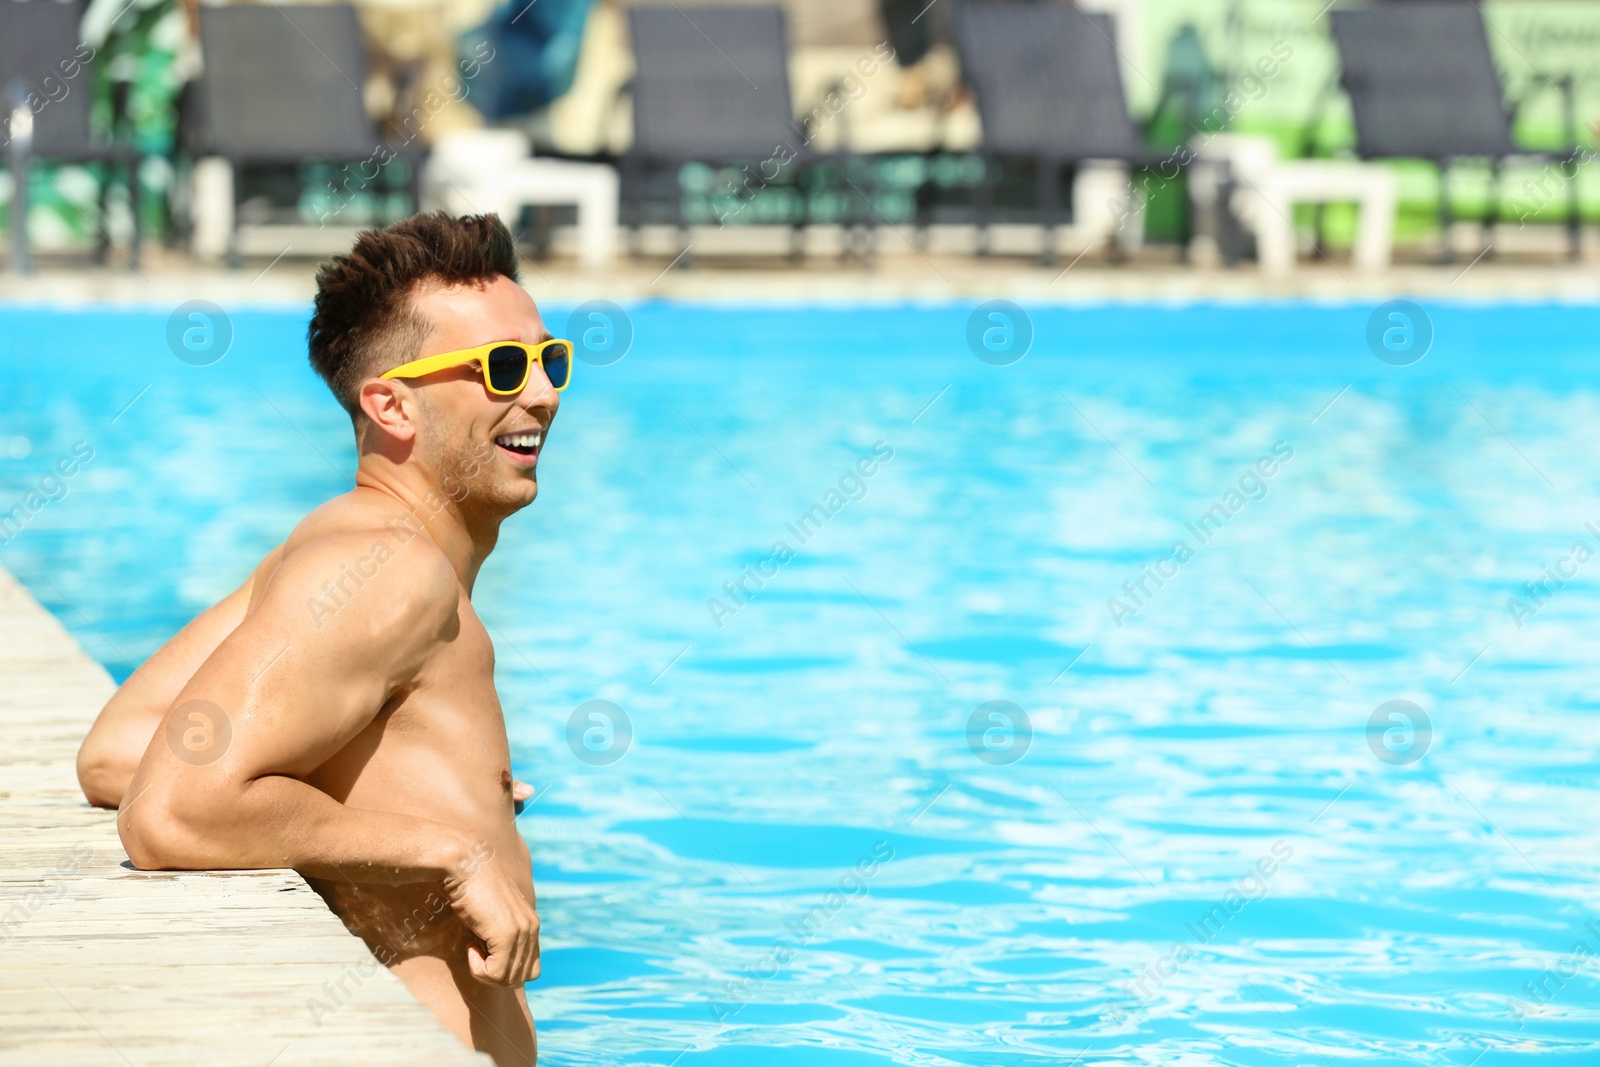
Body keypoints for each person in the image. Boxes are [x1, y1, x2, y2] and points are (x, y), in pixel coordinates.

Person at [76, 212, 566, 1066]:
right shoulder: (388, 571)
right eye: (501, 367)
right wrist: (451, 850)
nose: (542, 393)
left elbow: (120, 748)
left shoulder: (327, 546)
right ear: (390, 404)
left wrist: (372, 780)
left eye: (547, 357)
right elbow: (170, 806)